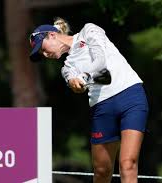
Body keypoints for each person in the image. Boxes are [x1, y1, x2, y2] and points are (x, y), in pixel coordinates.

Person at [29, 18, 149, 183]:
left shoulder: (89, 30)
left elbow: (100, 61)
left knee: (128, 163)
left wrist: (83, 77)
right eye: (41, 54)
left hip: (131, 96)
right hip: (102, 108)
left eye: (42, 49)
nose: (45, 54)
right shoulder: (67, 68)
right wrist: (74, 83)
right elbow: (71, 79)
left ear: (52, 35)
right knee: (101, 170)